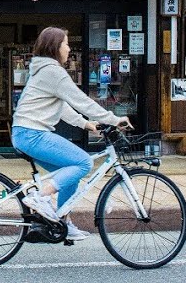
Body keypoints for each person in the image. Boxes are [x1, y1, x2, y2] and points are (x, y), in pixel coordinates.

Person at [10, 26, 131, 241]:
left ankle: (63, 221)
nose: (69, 49)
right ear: (55, 47)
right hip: (32, 134)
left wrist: (86, 124)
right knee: (84, 163)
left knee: (70, 173)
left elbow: (63, 106)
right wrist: (112, 119)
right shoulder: (53, 71)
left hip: (25, 134)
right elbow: (81, 100)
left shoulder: (43, 70)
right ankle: (40, 197)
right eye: (66, 44)